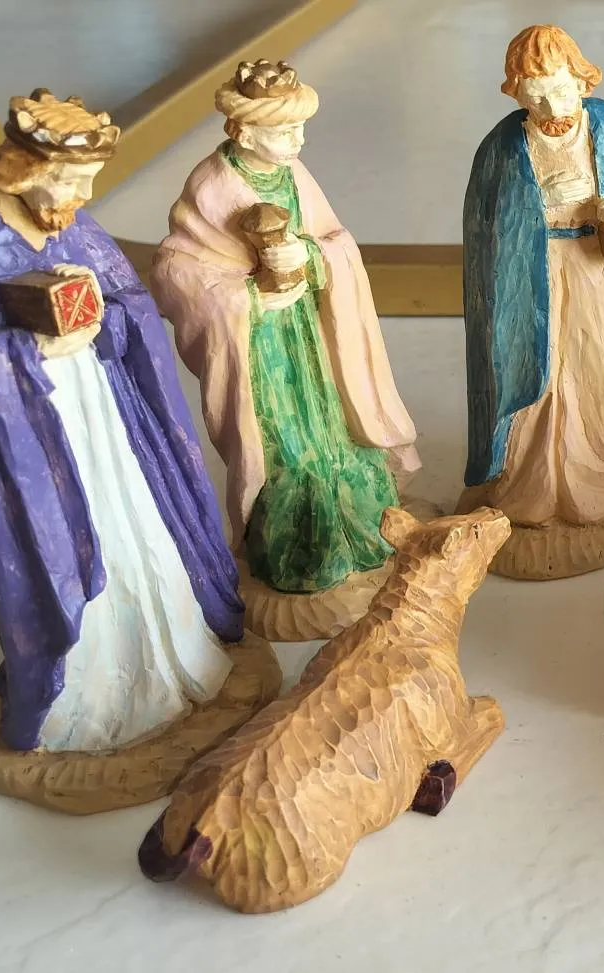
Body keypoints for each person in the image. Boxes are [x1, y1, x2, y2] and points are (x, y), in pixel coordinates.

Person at [0, 91, 242, 752]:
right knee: (69, 551)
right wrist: (29, 349)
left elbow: (131, 302)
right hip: (35, 438)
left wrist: (103, 307)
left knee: (134, 525)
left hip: (107, 420)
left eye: (89, 182)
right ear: (24, 171)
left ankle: (170, 656)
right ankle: (83, 699)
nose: (81, 197)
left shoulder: (73, 228)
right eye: (69, 181)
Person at [154, 59, 418, 597]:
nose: (298, 141)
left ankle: (360, 536)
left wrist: (311, 256)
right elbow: (175, 270)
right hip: (260, 344)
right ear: (244, 131)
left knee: (338, 431)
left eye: (300, 128)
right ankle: (300, 554)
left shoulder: (294, 173)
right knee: (288, 450)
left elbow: (336, 240)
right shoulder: (212, 185)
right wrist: (249, 296)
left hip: (312, 333)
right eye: (284, 131)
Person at [460, 24, 604, 527]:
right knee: (536, 366)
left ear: (582, 81)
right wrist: (533, 213)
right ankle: (529, 482)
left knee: (599, 363)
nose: (552, 108)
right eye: (535, 98)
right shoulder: (503, 146)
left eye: (560, 91)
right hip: (526, 275)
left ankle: (598, 472)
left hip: (593, 266)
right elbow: (482, 226)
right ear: (517, 96)